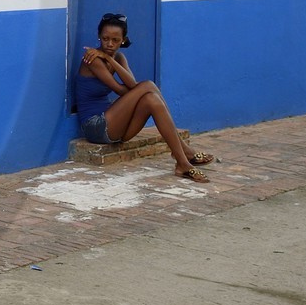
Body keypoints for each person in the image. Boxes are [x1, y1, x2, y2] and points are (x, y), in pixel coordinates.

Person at [77, 12, 217, 182]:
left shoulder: (118, 57)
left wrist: (110, 59)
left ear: (123, 40)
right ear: (99, 36)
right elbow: (123, 90)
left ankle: (182, 161)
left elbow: (132, 85)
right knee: (148, 86)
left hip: (116, 127)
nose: (109, 44)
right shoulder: (92, 60)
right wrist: (106, 59)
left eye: (115, 40)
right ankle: (184, 155)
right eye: (105, 39)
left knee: (152, 99)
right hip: (95, 126)